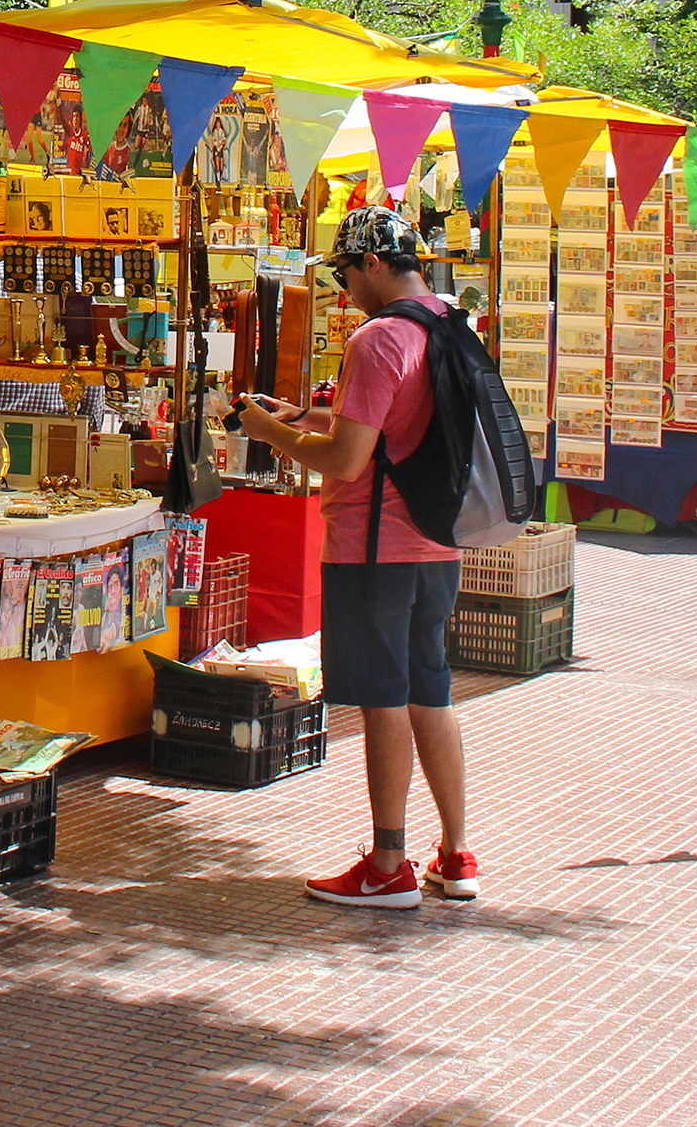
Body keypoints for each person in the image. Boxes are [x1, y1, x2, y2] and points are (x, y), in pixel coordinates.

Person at [238, 206, 478, 912]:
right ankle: (455, 855)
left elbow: (347, 459)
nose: (342, 288)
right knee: (429, 690)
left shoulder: (377, 339)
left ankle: (387, 863)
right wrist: (302, 414)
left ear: (373, 263)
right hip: (438, 542)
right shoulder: (448, 323)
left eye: (344, 272)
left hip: (376, 549)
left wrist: (264, 432)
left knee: (382, 703)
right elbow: (393, 424)